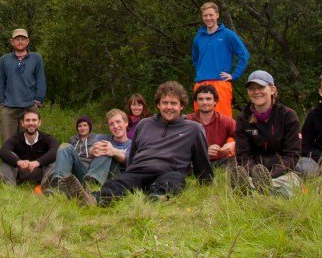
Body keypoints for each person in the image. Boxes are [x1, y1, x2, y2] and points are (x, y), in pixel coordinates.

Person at [63, 81, 212, 205]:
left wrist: (207, 185)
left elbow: (202, 162)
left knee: (173, 181)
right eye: (164, 102)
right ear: (158, 105)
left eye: (173, 103)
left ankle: (156, 198)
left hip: (170, 171)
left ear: (182, 106)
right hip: (140, 170)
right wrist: (130, 170)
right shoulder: (144, 124)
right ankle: (93, 199)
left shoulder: (193, 129)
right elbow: (133, 157)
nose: (169, 107)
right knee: (120, 183)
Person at [231, 70, 302, 198]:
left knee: (289, 186)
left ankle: (253, 192)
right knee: (250, 180)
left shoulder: (288, 116)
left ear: (272, 89)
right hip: (253, 171)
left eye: (261, 87)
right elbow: (243, 155)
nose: (256, 91)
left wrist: (270, 175)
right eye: (252, 88)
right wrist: (255, 172)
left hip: (283, 173)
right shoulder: (243, 118)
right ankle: (251, 188)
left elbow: (292, 155)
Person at [191, 2, 250, 118]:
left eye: (211, 15)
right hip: (200, 83)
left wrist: (234, 75)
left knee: (222, 120)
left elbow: (244, 55)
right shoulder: (198, 37)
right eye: (205, 15)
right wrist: (202, 72)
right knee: (199, 122)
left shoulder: (227, 34)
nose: (208, 18)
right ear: (202, 17)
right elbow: (195, 59)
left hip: (220, 84)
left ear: (217, 15)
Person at [47, 113, 128, 192]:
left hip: (108, 175)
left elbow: (131, 163)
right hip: (84, 170)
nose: (115, 126)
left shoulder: (133, 144)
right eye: (111, 124)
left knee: (106, 151)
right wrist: (92, 150)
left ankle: (90, 184)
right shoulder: (102, 137)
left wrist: (114, 151)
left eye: (118, 122)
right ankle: (59, 184)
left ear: (126, 123)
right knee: (65, 147)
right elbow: (92, 151)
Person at [0, 28, 46, 142]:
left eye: (22, 39)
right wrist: (1, 102)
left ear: (27, 41)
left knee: (30, 141)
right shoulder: (5, 59)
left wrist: (38, 100)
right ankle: (10, 161)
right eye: (17, 39)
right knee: (8, 142)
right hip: (9, 108)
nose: (20, 41)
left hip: (29, 107)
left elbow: (40, 80)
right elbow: (0, 82)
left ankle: (31, 160)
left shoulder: (36, 58)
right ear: (12, 41)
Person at [0, 108, 58, 186]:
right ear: (22, 123)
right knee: (7, 158)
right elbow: (3, 151)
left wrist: (37, 162)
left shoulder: (48, 138)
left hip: (42, 174)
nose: (31, 123)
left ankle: (46, 186)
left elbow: (55, 151)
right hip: (21, 173)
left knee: (54, 160)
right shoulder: (15, 139)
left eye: (34, 120)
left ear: (39, 122)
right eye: (27, 120)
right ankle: (7, 185)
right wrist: (19, 162)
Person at [187, 84, 236, 167]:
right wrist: (204, 151)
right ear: (196, 102)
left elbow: (244, 137)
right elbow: (177, 146)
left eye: (208, 99)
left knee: (238, 160)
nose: (204, 102)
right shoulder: (187, 120)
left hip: (220, 161)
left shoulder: (225, 121)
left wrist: (234, 145)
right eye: (200, 99)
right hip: (194, 162)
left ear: (215, 101)